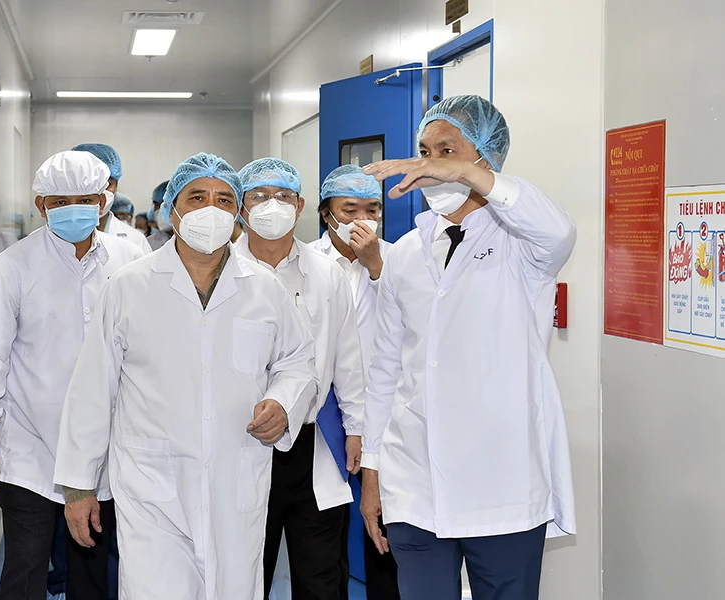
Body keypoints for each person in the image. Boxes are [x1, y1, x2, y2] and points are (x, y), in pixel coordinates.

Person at [53, 152, 318, 599]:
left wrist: (283, 402)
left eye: (224, 199)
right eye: (197, 197)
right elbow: (92, 390)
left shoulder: (264, 288)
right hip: (152, 486)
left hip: (235, 482)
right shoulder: (129, 286)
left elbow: (298, 361)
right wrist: (79, 487)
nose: (211, 209)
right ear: (171, 210)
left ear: (238, 214)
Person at [358, 95, 577, 600]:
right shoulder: (406, 253)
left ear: (485, 157)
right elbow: (385, 369)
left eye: (447, 150)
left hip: (501, 483)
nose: (431, 163)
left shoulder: (523, 245)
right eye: (423, 150)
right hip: (414, 483)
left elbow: (560, 230)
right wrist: (372, 472)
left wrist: (468, 174)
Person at [0, 150, 144, 600]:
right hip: (30, 452)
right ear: (41, 205)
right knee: (24, 572)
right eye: (60, 201)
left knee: (93, 574)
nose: (73, 209)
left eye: (84, 198)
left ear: (103, 201)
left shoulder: (130, 260)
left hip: (105, 451)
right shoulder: (14, 265)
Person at [234, 158, 366, 600]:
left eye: (284, 196)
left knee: (321, 576)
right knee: (245, 573)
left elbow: (348, 359)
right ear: (241, 206)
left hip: (313, 444)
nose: (272, 205)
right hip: (240, 440)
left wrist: (356, 428)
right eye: (259, 196)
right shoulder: (221, 270)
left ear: (301, 205)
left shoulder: (326, 273)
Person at [310, 164, 398, 598]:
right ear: (326, 213)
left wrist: (376, 265)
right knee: (325, 536)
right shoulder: (306, 261)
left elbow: (412, 322)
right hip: (325, 415)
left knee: (385, 529)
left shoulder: (397, 259)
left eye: (372, 209)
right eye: (350, 210)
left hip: (387, 413)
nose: (362, 219)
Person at [73, 143, 152, 255]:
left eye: (107, 184)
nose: (99, 192)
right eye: (89, 183)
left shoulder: (136, 241)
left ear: (116, 188)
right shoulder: (53, 236)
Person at [146, 180, 174, 250]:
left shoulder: (194, 242)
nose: (160, 210)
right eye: (157, 205)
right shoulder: (148, 244)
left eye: (165, 205)